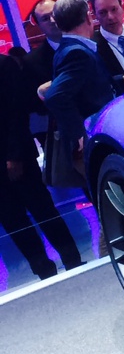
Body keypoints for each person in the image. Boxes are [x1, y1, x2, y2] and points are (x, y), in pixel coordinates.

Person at [0, 50, 83, 280]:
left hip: (16, 154)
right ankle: (43, 270)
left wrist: (14, 155)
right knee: (12, 219)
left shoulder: (4, 65)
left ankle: (72, 259)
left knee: (42, 207)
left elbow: (16, 115)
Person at [40, 0, 124, 185]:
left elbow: (86, 87)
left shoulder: (69, 48)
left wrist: (122, 81)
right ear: (88, 17)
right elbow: (55, 96)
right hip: (94, 136)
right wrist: (79, 134)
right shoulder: (77, 52)